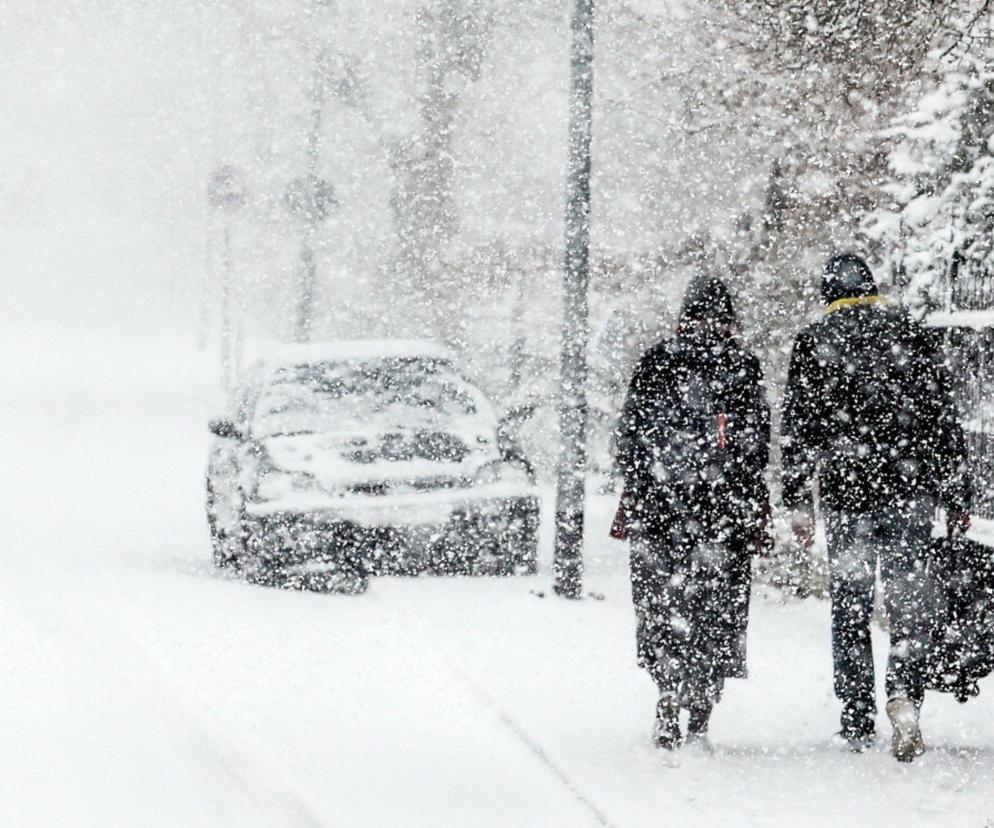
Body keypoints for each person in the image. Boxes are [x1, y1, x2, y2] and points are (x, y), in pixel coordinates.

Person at [782, 253, 971, 762]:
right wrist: (956, 495)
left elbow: (799, 429)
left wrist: (800, 502)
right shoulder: (910, 333)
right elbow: (941, 418)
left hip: (848, 499)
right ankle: (904, 694)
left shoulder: (814, 342)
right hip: (909, 495)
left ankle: (856, 715)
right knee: (909, 606)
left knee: (850, 607)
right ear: (873, 287)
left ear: (829, 295)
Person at [615, 275, 770, 750]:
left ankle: (666, 689)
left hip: (658, 513)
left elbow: (628, 441)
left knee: (662, 604)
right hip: (723, 514)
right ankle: (701, 708)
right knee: (715, 607)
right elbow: (756, 448)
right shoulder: (743, 366)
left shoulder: (656, 362)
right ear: (728, 317)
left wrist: (647, 485)